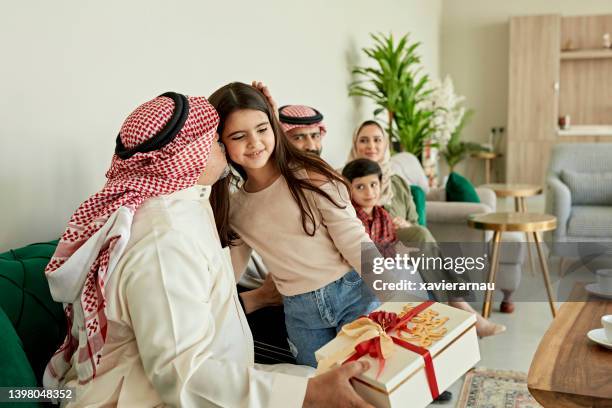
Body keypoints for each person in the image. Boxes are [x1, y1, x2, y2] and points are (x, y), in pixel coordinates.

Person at [43, 92, 374, 407]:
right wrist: (308, 396)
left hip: (219, 381)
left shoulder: (186, 203)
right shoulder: (164, 245)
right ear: (190, 156)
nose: (226, 148)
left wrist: (269, 115)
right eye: (218, 140)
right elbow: (183, 378)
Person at [208, 82, 380, 368]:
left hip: (353, 295)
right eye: (239, 136)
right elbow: (228, 274)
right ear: (220, 143)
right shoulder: (236, 208)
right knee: (319, 385)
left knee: (367, 377)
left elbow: (354, 241)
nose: (254, 143)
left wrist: (399, 295)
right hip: (301, 314)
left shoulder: (312, 177)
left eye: (262, 129)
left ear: (274, 126)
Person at [347, 120, 506, 338]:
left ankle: (456, 305)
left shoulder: (396, 183)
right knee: (421, 236)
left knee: (419, 234)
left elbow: (415, 221)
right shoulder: (344, 179)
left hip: (400, 235)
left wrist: (407, 225)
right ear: (355, 144)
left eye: (377, 140)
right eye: (364, 140)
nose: (371, 146)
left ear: (385, 145)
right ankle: (457, 304)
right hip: (368, 240)